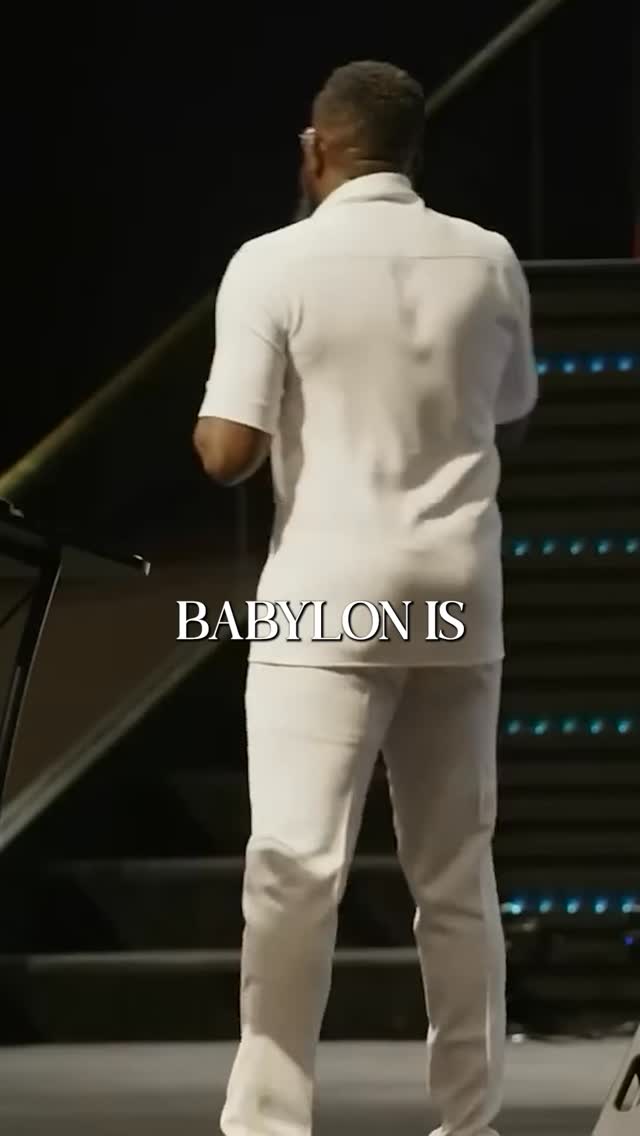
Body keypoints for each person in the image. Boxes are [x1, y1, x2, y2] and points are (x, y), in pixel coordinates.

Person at [194, 59, 538, 1136]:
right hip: (458, 593)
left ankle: (268, 1123)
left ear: (316, 149)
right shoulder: (489, 257)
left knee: (294, 870)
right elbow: (513, 411)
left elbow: (228, 453)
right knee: (456, 876)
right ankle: (470, 1121)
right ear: (413, 150)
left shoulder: (273, 262)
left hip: (327, 601)